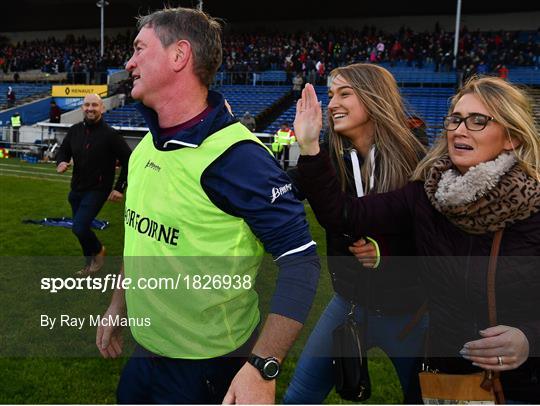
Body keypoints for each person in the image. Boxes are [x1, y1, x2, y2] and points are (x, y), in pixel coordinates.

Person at [95, 7, 320, 404]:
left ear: (179, 56)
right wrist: (118, 306)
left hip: (209, 366)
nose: (129, 63)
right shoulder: (146, 144)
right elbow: (140, 236)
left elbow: (301, 261)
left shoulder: (239, 158)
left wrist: (262, 366)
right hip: (146, 351)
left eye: (139, 49)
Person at [294, 76, 540, 403]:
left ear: (512, 137)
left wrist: (529, 338)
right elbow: (344, 215)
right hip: (446, 379)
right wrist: (310, 146)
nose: (460, 129)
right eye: (455, 119)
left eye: (478, 121)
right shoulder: (426, 194)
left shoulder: (533, 209)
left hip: (520, 385)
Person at [284, 63, 427, 404]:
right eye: (331, 94)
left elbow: (432, 236)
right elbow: (283, 195)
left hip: (410, 312)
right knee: (298, 396)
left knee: (424, 399)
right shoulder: (327, 157)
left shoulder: (417, 158)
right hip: (349, 301)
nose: (332, 103)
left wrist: (385, 252)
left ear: (375, 97)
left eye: (344, 93)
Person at [56, 93, 131, 276]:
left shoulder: (111, 135)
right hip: (76, 189)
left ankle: (98, 251)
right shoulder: (74, 130)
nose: (90, 108)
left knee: (79, 227)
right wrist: (62, 161)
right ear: (82, 107)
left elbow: (129, 160)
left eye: (94, 105)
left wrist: (120, 187)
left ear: (102, 108)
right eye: (87, 105)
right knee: (81, 230)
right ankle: (88, 265)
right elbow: (63, 151)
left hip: (98, 189)